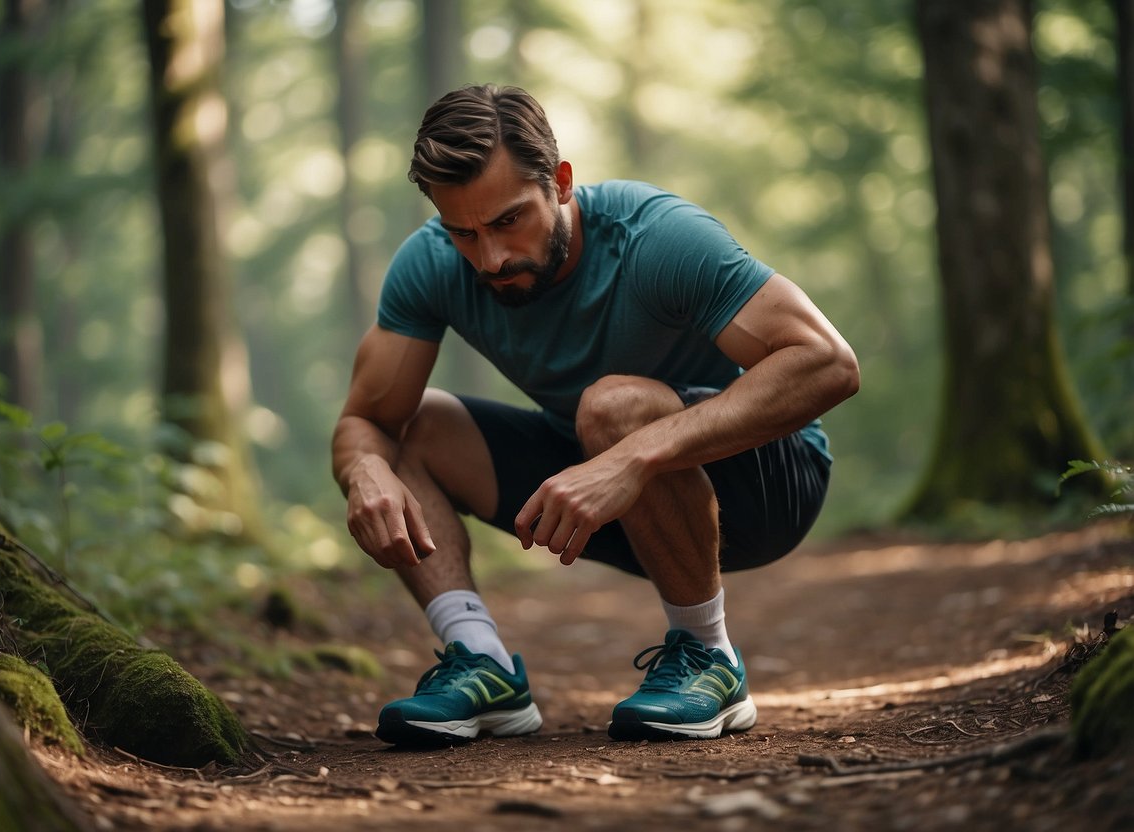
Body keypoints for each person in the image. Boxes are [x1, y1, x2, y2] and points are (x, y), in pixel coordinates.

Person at [331, 84, 859, 745]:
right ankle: (481, 664)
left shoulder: (655, 239)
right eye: (461, 231)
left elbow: (827, 364)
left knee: (614, 407)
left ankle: (709, 657)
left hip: (765, 485)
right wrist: (364, 472)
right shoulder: (432, 266)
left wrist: (634, 455)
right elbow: (366, 422)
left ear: (559, 182)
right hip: (604, 486)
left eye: (507, 221)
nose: (489, 258)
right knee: (406, 427)